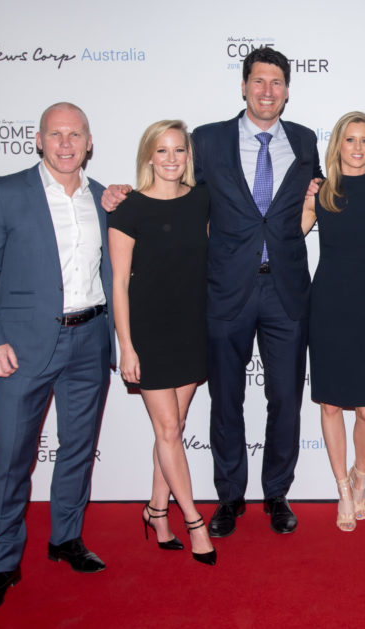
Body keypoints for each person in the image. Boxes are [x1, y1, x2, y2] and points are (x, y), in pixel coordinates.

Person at [102, 48, 322, 537]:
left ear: (287, 90)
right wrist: (120, 195)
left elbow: (316, 198)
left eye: (277, 82)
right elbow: (170, 191)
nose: (267, 90)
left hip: (286, 291)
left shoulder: (306, 141)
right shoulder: (207, 140)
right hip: (224, 292)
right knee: (226, 399)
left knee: (285, 398)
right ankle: (229, 496)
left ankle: (278, 494)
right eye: (258, 81)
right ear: (243, 86)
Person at [0, 102, 114, 617]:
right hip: (23, 347)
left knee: (77, 449)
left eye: (75, 134)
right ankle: (3, 564)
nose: (66, 143)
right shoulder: (3, 193)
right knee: (11, 459)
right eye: (56, 134)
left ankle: (65, 539)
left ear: (89, 142)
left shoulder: (103, 199)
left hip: (90, 340)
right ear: (39, 139)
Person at [107, 120, 214, 564]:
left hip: (191, 328)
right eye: (162, 151)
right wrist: (126, 346)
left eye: (179, 151)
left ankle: (156, 511)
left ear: (189, 156)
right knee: (168, 430)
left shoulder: (202, 201)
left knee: (172, 429)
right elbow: (118, 284)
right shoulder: (128, 209)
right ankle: (193, 521)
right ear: (149, 156)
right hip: (148, 333)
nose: (171, 159)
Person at [302, 112, 365, 531]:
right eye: (350, 140)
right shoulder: (319, 191)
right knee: (329, 403)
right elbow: (285, 236)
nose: (357, 148)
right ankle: (342, 486)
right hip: (327, 304)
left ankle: (363, 475)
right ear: (337, 144)